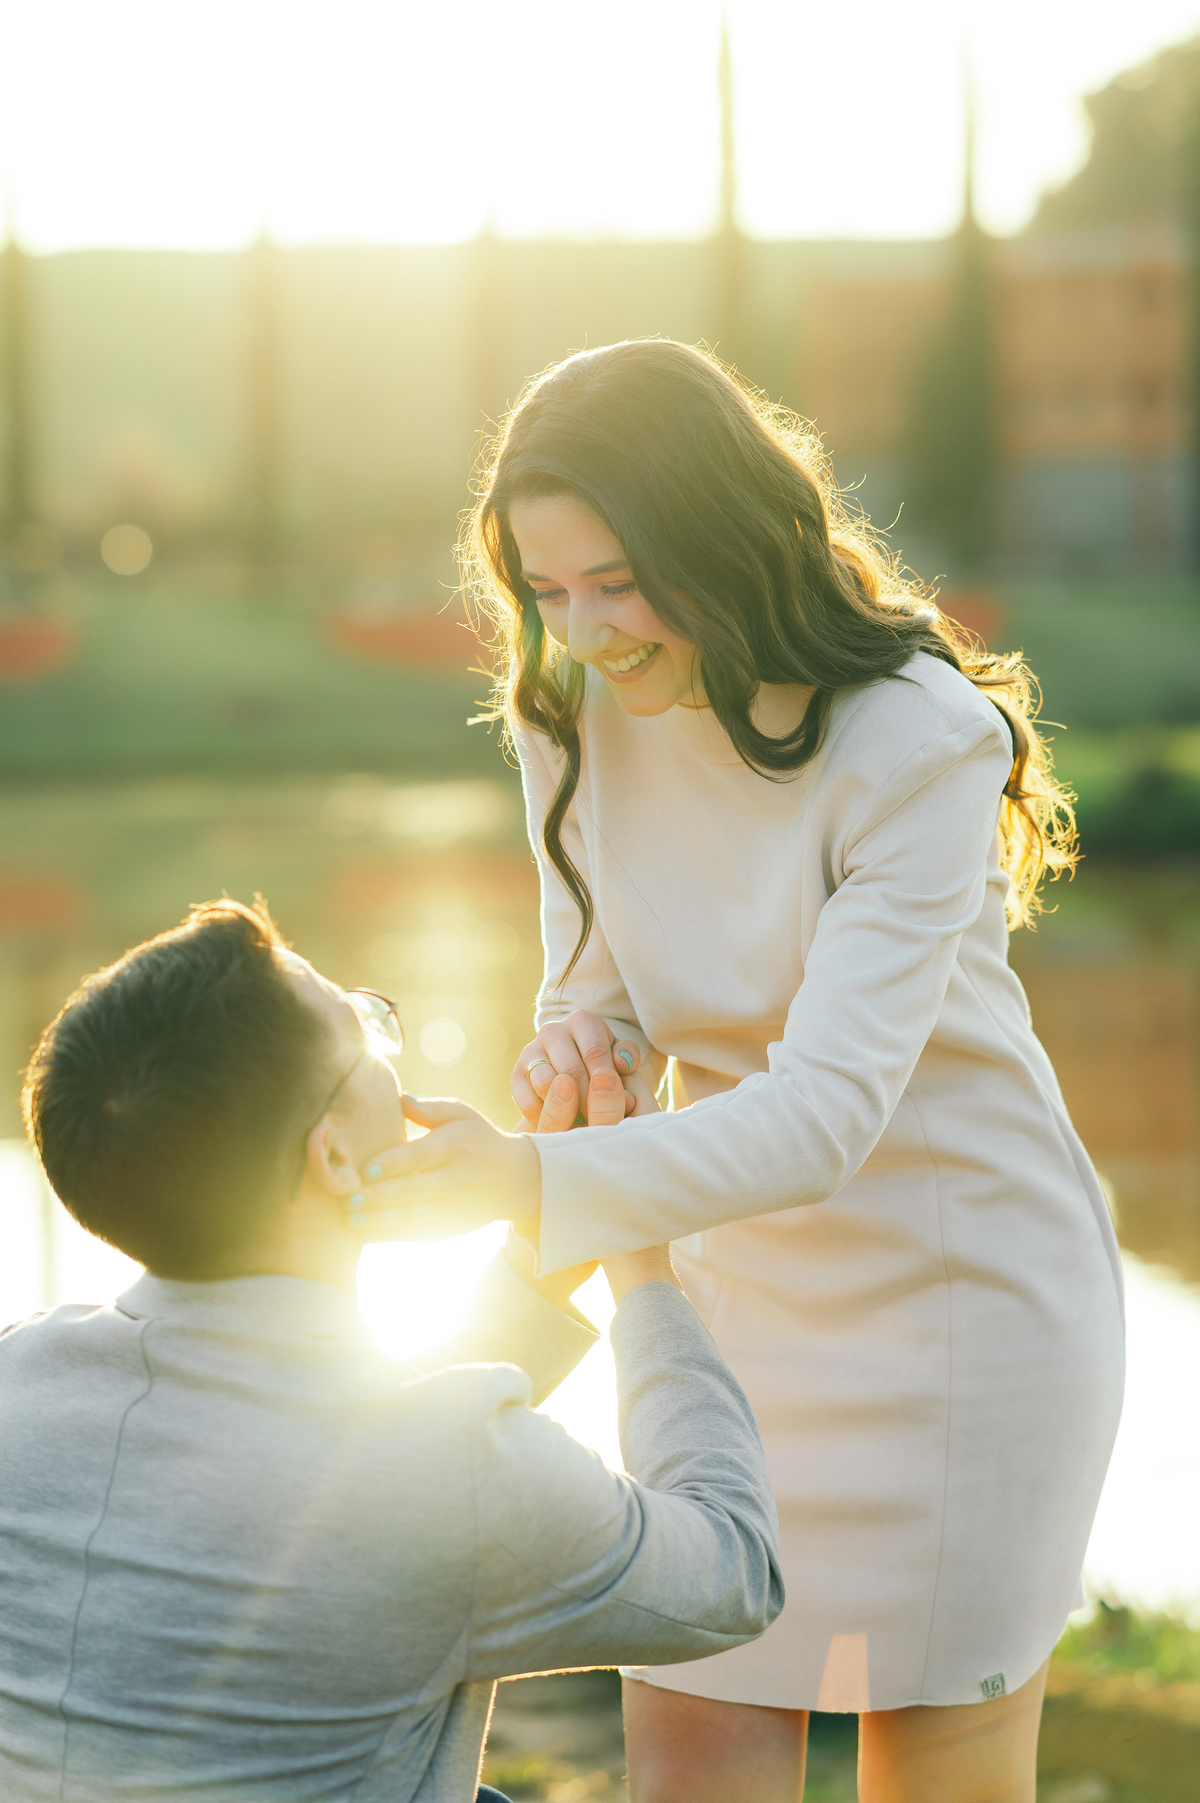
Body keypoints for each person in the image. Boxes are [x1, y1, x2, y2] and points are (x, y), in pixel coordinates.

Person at [352, 341, 1126, 1803]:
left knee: (942, 1781)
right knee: (691, 1766)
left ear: (718, 533)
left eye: (616, 579)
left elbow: (829, 1113)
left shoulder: (918, 738)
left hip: (965, 1315)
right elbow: (599, 982)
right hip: (730, 1320)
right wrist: (581, 1045)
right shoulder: (565, 713)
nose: (580, 627)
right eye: (545, 588)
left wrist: (522, 1176)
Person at [0, 897, 783, 1803]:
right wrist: (639, 1259)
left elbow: (332, 1460)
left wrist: (546, 1242)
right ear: (331, 1156)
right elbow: (735, 1566)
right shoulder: (453, 1474)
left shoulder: (20, 1381)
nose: (384, 1040)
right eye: (364, 1030)